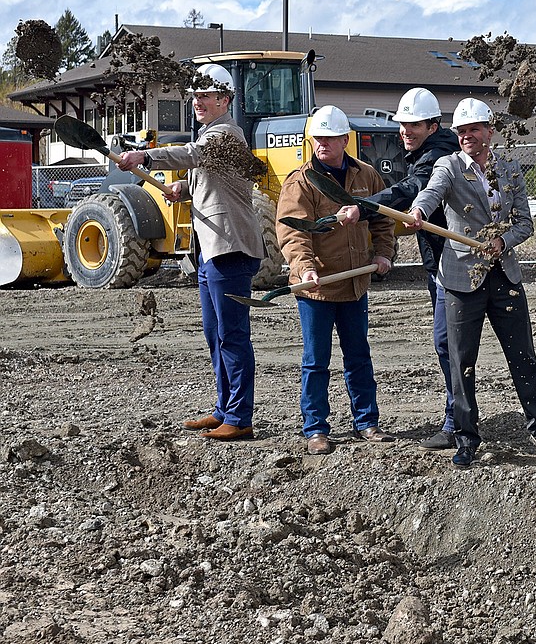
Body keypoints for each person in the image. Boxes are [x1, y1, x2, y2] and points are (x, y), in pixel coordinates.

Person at [408, 97, 536, 468]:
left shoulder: (508, 167)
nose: (466, 137)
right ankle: (466, 439)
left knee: (523, 357)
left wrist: (501, 242)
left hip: (504, 276)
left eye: (473, 130)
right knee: (462, 362)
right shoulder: (448, 166)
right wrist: (417, 210)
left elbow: (525, 221)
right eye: (461, 131)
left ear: (489, 131)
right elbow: (431, 192)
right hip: (461, 279)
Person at [116, 64, 265, 441]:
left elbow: (192, 153)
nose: (198, 102)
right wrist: (184, 187)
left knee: (232, 335)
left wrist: (145, 157)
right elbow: (207, 173)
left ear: (224, 100)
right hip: (210, 247)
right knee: (215, 334)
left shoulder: (226, 133)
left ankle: (240, 417)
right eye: (195, 96)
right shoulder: (212, 136)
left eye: (206, 96)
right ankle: (224, 409)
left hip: (230, 246)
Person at [336, 87, 460, 451]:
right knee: (450, 343)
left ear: (433, 125)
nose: (406, 132)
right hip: (438, 259)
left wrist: (364, 205)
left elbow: (412, 188)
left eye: (415, 125)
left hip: (451, 263)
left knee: (447, 343)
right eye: (403, 125)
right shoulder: (427, 148)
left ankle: (457, 420)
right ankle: (462, 415)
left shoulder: (437, 154)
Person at [276, 105, 397, 455]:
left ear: (346, 139)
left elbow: (382, 220)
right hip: (317, 288)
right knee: (316, 361)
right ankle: (315, 428)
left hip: (355, 282)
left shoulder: (367, 176)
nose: (322, 144)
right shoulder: (301, 182)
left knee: (358, 355)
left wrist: (383, 253)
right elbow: (292, 231)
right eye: (318, 138)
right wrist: (305, 266)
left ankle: (367, 423)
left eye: (330, 138)